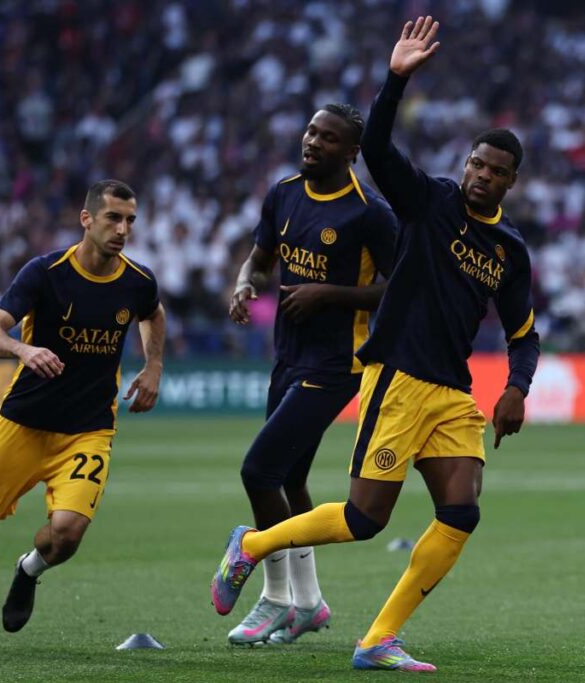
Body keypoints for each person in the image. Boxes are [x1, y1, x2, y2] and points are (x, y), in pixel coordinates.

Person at [211, 16, 539, 672]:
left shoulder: (509, 251)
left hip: (451, 392)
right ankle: (252, 544)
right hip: (396, 376)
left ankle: (377, 638)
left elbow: (523, 333)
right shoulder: (429, 202)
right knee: (365, 520)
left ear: (509, 182)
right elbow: (381, 147)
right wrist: (395, 79)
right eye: (475, 162)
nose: (479, 175)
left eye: (494, 170)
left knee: (461, 511)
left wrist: (516, 388)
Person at [0, 180, 166, 650]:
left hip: (88, 431)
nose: (123, 229)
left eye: (130, 220)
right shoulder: (46, 272)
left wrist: (153, 366)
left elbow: (152, 313)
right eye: (113, 218)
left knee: (66, 536)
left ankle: (28, 569)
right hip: (22, 425)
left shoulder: (138, 280)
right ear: (86, 219)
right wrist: (23, 349)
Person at [225, 103, 397, 645]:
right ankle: (310, 604)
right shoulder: (283, 193)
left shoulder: (370, 212)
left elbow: (399, 288)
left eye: (327, 138)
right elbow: (259, 257)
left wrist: (330, 294)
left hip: (338, 364)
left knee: (259, 472)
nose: (312, 142)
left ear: (351, 152)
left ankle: (275, 599)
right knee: (291, 479)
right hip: (288, 355)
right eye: (310, 131)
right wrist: (244, 283)